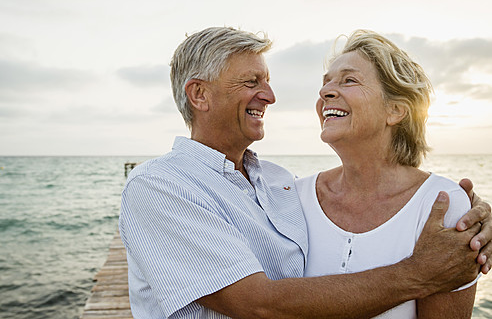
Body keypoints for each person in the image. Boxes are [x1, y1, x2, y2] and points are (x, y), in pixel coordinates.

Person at [119, 27, 492, 319]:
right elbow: (260, 305)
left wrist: (472, 215)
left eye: (347, 80)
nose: (270, 95)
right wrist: (419, 273)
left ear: (396, 111)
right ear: (199, 95)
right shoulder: (160, 187)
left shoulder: (280, 185)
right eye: (252, 82)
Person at [296, 29, 481, 319]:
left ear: (395, 110)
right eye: (326, 83)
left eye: (349, 80)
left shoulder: (442, 205)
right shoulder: (293, 196)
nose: (325, 92)